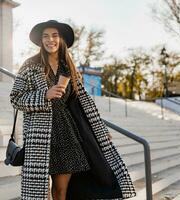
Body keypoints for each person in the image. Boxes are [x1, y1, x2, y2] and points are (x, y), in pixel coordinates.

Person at [10, 20, 136, 200]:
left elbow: (83, 101)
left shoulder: (67, 67)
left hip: (67, 134)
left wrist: (100, 128)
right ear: (40, 41)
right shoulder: (30, 65)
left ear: (61, 40)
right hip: (40, 135)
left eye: (55, 36)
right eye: (46, 36)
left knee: (61, 191)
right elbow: (15, 98)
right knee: (38, 192)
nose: (50, 40)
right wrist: (44, 95)